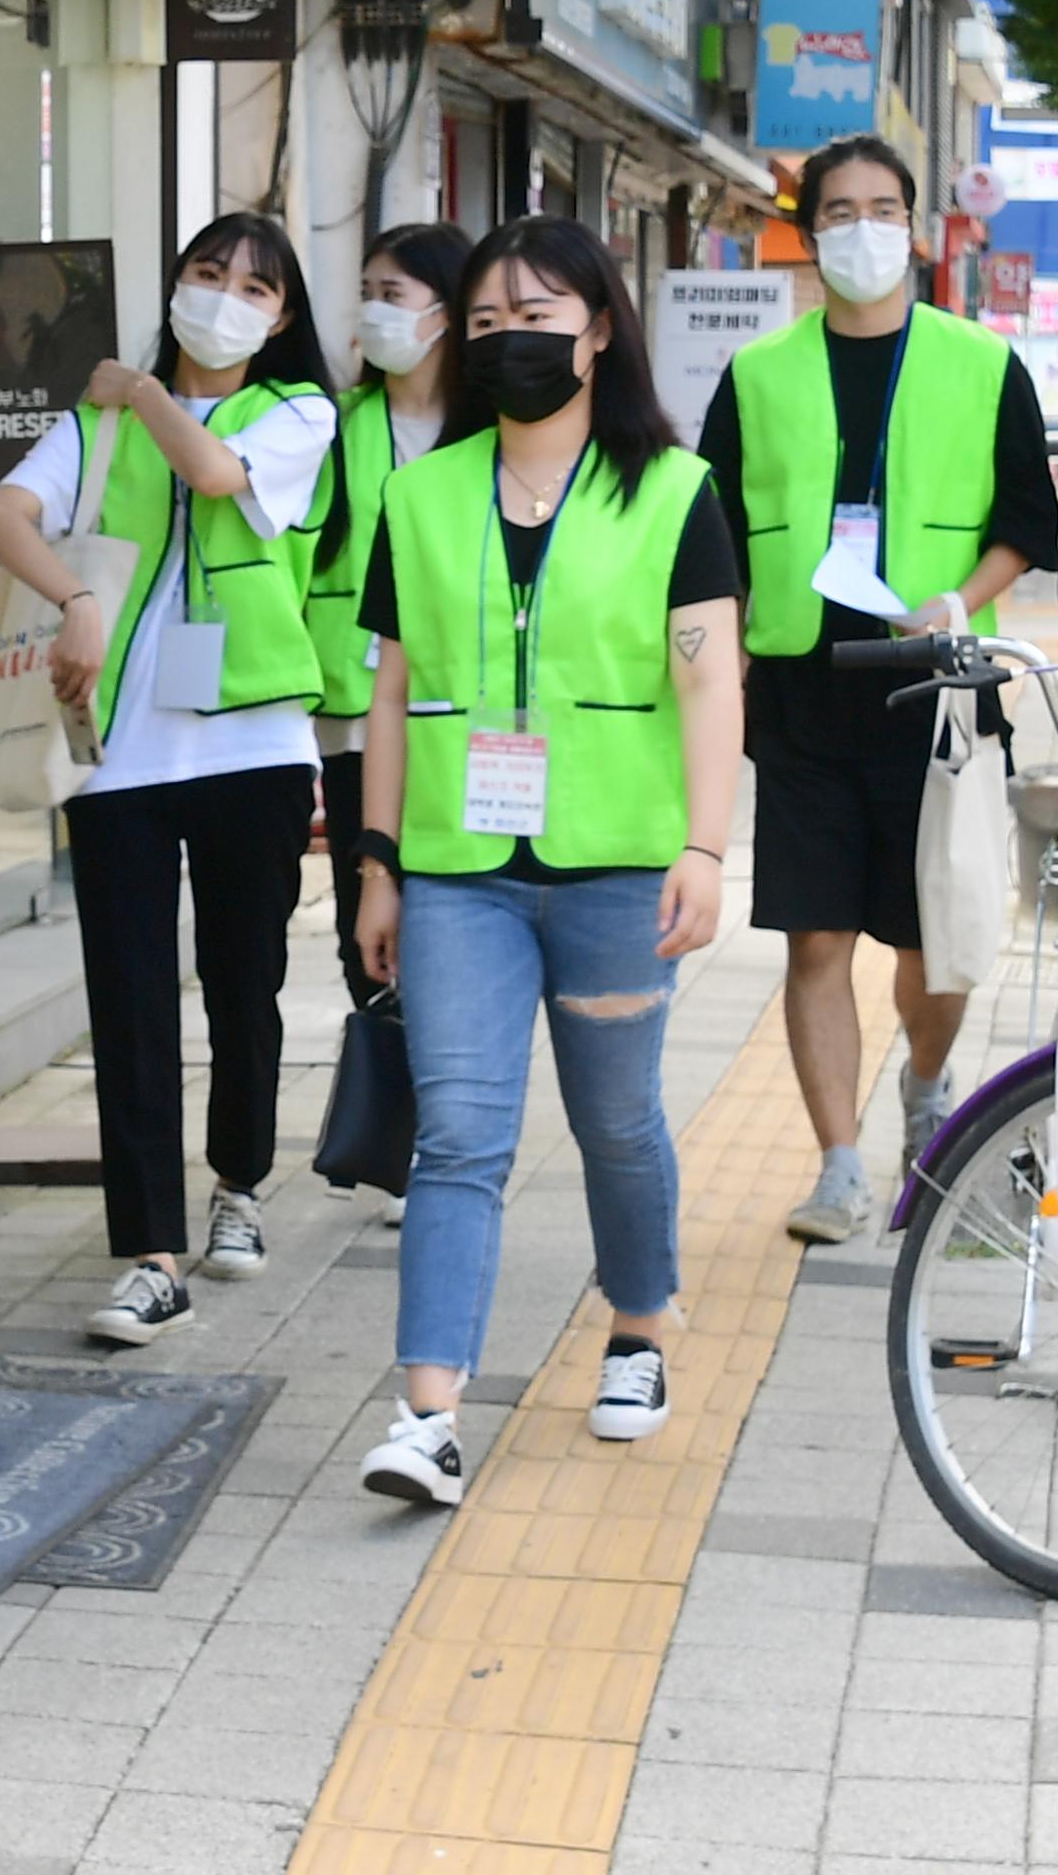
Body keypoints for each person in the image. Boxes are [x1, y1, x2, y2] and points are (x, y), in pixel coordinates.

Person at [343, 215, 743, 1506]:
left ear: (602, 330)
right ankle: (429, 1416)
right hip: (462, 869)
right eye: (488, 324)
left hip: (620, 863)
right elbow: (392, 699)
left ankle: (638, 1328)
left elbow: (708, 680)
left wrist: (705, 844)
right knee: (458, 1133)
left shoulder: (672, 492)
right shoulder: (422, 495)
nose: (514, 343)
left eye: (540, 318)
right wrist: (377, 861)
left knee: (616, 1121)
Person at [0, 212, 340, 1345]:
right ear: (176, 280)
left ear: (282, 318)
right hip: (117, 752)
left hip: (254, 746)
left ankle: (238, 1182)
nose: (223, 295)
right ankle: (148, 1252)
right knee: (129, 1008)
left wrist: (138, 391)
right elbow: (3, 514)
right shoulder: (99, 421)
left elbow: (217, 470)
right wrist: (76, 599)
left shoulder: (298, 412)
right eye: (205, 271)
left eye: (252, 286)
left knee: (245, 985)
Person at [695, 135, 1058, 1244]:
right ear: (810, 237)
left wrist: (959, 599)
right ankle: (840, 1166)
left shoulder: (983, 363)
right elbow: (714, 533)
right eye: (839, 211)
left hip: (940, 692)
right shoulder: (758, 375)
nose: (862, 228)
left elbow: (1029, 524)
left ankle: (930, 1086)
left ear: (915, 223)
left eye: (882, 207)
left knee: (931, 940)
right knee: (815, 938)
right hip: (804, 692)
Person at [307, 227, 471, 1229]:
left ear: (445, 312)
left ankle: (443, 1129)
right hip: (347, 707)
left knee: (450, 920)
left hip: (454, 713)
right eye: (364, 290)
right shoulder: (337, 422)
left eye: (393, 291)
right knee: (364, 919)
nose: (374, 310)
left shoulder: (491, 428)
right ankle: (399, 1129)